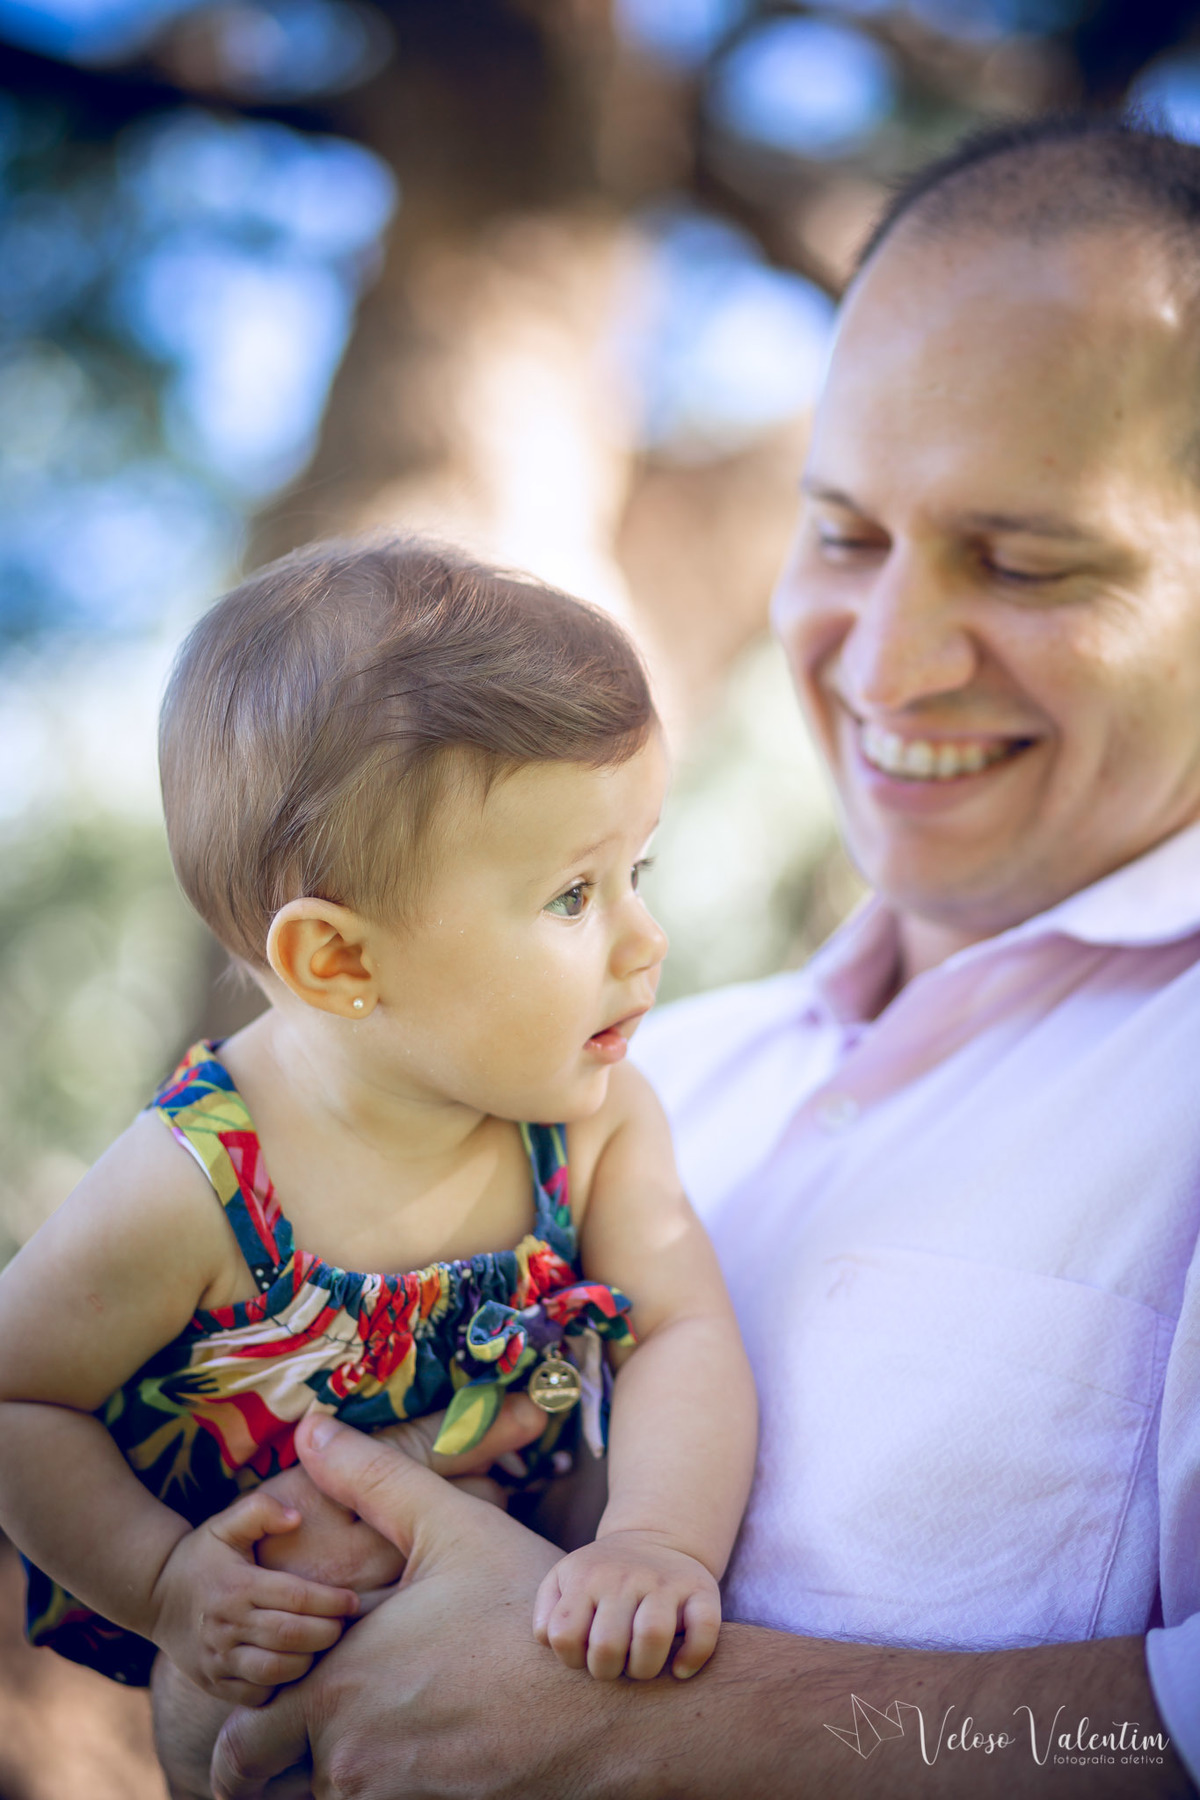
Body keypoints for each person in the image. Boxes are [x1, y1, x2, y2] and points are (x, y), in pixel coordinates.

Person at [205, 116, 1200, 1799]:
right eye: (843, 536)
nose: (887, 660)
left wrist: (659, 1735)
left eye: (1023, 561)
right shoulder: (655, 1066)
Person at [0, 543, 756, 1780]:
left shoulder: (597, 1122)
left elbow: (679, 1329)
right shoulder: (198, 1181)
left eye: (639, 871)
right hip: (290, 1693)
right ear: (341, 964)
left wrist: (659, 1540)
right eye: (574, 895)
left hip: (531, 1665)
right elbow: (18, 1391)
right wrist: (169, 1584)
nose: (646, 938)